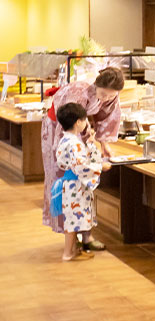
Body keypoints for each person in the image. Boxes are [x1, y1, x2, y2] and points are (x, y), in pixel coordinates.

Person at [42, 67, 124, 250]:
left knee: (84, 192)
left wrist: (104, 144)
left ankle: (86, 237)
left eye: (111, 96)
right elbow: (69, 128)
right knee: (65, 184)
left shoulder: (111, 96)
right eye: (103, 94)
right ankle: (70, 240)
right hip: (61, 130)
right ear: (96, 85)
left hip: (81, 133)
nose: (105, 99)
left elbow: (107, 118)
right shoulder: (79, 92)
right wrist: (87, 161)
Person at [54, 103, 110, 261]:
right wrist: (100, 166)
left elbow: (71, 161)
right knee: (73, 221)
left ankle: (72, 250)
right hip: (76, 186)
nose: (87, 123)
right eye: (85, 120)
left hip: (70, 184)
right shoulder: (75, 143)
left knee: (73, 219)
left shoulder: (66, 140)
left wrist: (91, 145)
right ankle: (68, 253)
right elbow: (81, 166)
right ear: (78, 122)